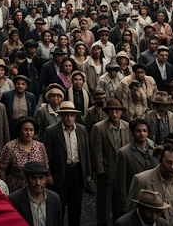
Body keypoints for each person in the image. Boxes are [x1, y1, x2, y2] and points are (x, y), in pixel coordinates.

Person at [43, 101, 93, 226]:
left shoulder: (81, 130)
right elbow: (46, 155)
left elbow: (86, 152)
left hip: (77, 170)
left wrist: (88, 173)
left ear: (75, 116)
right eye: (66, 115)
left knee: (76, 206)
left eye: (71, 115)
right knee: (59, 205)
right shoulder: (51, 131)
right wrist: (48, 174)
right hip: (60, 171)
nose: (69, 118)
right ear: (61, 116)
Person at [128, 144, 173, 226]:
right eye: (169, 163)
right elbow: (132, 215)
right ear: (160, 160)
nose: (172, 167)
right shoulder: (142, 180)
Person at [92, 97, 131, 226]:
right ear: (107, 113)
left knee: (120, 201)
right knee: (103, 203)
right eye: (111, 111)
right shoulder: (99, 128)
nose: (114, 114)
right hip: (106, 170)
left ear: (121, 113)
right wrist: (100, 172)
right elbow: (97, 151)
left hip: (122, 171)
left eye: (117, 111)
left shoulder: (127, 127)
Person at [116, 118, 160, 215]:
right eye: (138, 131)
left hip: (153, 195)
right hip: (136, 197)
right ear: (132, 133)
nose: (142, 134)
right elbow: (121, 181)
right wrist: (123, 204)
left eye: (144, 131)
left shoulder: (154, 149)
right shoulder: (124, 153)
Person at [0, 117, 49, 193]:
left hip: (36, 188)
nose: (28, 133)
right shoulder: (9, 147)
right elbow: (2, 169)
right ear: (19, 130)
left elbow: (46, 165)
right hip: (16, 189)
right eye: (25, 129)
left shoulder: (40, 146)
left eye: (31, 130)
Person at [10, 161, 63, 226]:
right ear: (27, 179)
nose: (38, 183)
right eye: (33, 178)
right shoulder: (14, 200)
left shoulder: (55, 198)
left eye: (41, 178)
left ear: (46, 179)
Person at [1, 74, 36, 139]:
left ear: (26, 86)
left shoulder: (31, 97)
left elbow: (33, 112)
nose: (20, 86)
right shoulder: (7, 96)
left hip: (26, 127)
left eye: (23, 84)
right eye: (18, 84)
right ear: (15, 85)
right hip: (11, 126)